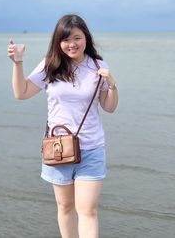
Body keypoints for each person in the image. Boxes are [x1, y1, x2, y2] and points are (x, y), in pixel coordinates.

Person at [8, 14, 118, 238]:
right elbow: (21, 93)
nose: (72, 44)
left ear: (86, 38)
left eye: (77, 38)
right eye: (66, 39)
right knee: (65, 207)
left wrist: (112, 85)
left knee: (87, 210)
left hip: (92, 148)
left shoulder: (98, 66)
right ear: (59, 42)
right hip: (59, 149)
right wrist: (18, 64)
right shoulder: (50, 64)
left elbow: (109, 107)